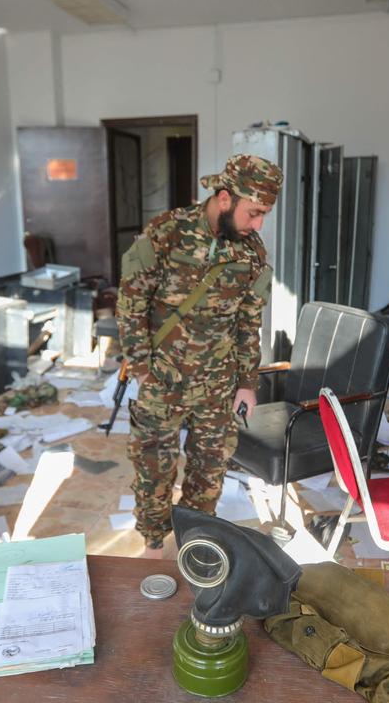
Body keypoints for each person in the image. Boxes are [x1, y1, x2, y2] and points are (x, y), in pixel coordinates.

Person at [116, 154, 282, 556]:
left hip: (217, 384)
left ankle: (191, 545)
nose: (258, 224)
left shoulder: (252, 253)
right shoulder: (164, 233)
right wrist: (142, 370)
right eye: (254, 212)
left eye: (264, 215)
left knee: (209, 473)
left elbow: (248, 322)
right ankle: (153, 545)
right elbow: (130, 303)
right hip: (162, 380)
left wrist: (247, 383)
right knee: (154, 470)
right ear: (224, 198)